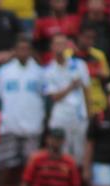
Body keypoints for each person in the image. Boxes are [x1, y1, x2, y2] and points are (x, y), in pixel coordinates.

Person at [0, 37, 45, 181]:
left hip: (32, 127)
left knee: (30, 169)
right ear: (14, 51)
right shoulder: (3, 72)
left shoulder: (40, 72)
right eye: (20, 48)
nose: (23, 51)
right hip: (9, 126)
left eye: (26, 48)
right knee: (4, 166)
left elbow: (45, 97)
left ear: (31, 51)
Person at [44, 34, 91, 163]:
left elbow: (87, 90)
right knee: (62, 151)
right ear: (52, 47)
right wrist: (71, 86)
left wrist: (89, 113)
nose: (60, 47)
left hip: (79, 116)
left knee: (80, 152)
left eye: (62, 44)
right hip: (61, 116)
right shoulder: (48, 70)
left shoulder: (79, 64)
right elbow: (54, 97)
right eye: (56, 44)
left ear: (67, 46)